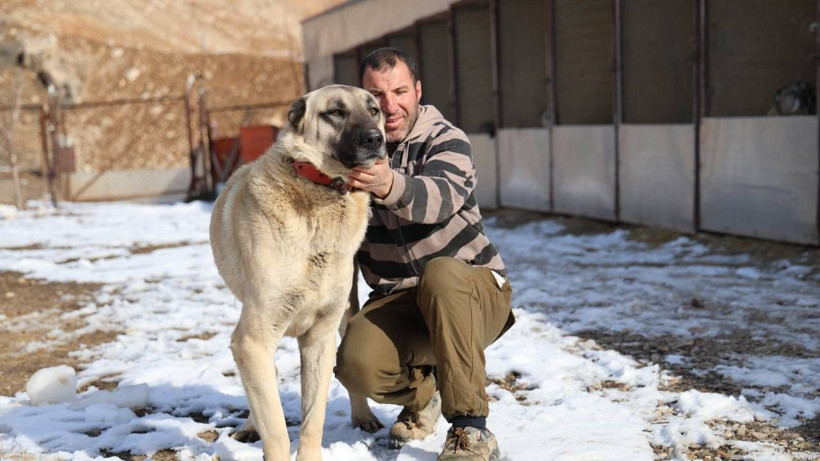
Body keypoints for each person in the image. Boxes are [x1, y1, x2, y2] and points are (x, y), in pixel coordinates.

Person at [335, 47, 515, 461]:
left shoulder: (446, 139)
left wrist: (385, 183)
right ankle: (425, 394)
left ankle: (470, 430)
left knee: (442, 273)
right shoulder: (349, 153)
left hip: (473, 293)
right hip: (401, 301)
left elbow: (437, 200)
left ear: (418, 91)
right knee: (355, 363)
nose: (389, 105)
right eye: (375, 95)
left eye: (399, 91)